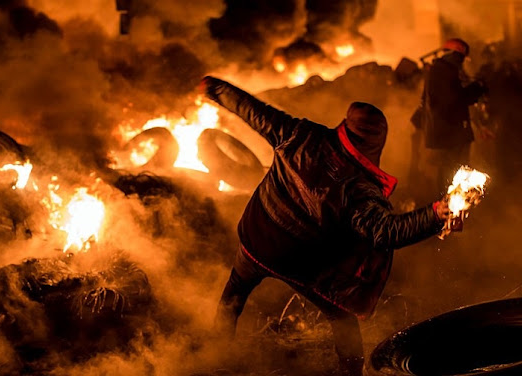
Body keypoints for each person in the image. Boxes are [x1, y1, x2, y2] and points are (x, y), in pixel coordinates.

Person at [200, 75, 451, 376]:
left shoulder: (300, 134)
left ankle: (216, 356)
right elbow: (388, 232)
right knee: (342, 320)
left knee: (233, 295)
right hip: (302, 265)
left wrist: (216, 88)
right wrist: (437, 214)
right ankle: (351, 373)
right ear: (376, 143)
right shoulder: (361, 188)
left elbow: (254, 110)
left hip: (257, 241)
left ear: (346, 124)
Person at [421, 38, 488, 193]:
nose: (462, 62)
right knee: (452, 170)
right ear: (456, 55)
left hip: (448, 132)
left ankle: (449, 203)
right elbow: (454, 99)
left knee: (451, 169)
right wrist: (476, 88)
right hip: (450, 133)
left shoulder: (440, 69)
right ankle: (449, 206)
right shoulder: (443, 71)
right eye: (461, 57)